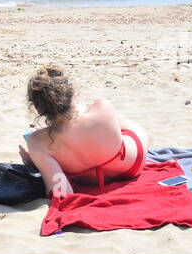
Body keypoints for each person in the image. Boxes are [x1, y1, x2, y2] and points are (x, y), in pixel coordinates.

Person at [20, 65, 150, 195]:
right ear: (71, 93)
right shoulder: (102, 106)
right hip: (132, 166)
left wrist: (38, 163)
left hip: (88, 180)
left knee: (57, 138)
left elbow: (61, 192)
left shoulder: (36, 142)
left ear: (39, 109)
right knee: (116, 123)